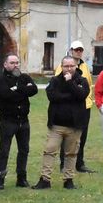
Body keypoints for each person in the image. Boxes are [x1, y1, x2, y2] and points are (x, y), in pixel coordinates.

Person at [34, 56, 90, 190]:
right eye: (66, 66)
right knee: (49, 150)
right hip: (56, 125)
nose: (69, 69)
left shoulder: (82, 80)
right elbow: (52, 96)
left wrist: (70, 84)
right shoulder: (55, 80)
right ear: (62, 66)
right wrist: (71, 96)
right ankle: (45, 179)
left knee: (71, 153)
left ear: (76, 66)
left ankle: (68, 180)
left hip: (74, 126)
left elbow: (82, 95)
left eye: (71, 66)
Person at [0, 53, 38, 188]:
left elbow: (34, 90)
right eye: (12, 63)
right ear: (5, 64)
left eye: (17, 62)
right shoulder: (0, 79)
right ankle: (0, 178)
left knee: (24, 150)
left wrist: (17, 89)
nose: (15, 65)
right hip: (8, 120)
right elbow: (5, 95)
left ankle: (21, 178)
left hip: (23, 120)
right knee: (4, 150)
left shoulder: (24, 77)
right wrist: (23, 91)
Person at [60, 41, 94, 173]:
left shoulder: (84, 66)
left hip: (84, 106)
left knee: (82, 136)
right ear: (71, 50)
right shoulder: (63, 65)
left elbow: (88, 85)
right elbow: (61, 84)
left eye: (81, 50)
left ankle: (80, 163)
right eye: (76, 50)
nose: (78, 52)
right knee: (67, 135)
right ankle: (64, 164)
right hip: (70, 106)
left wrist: (88, 99)